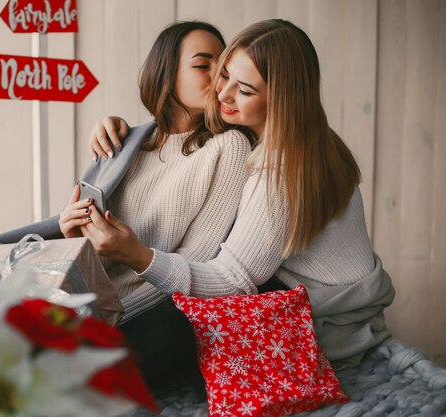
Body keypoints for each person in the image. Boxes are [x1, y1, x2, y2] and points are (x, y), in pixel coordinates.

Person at [80, 19, 395, 370]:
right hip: (337, 307)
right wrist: (128, 136)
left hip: (324, 325)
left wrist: (140, 256)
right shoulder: (311, 138)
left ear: (281, 99)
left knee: (165, 330)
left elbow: (233, 281)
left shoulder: (280, 172)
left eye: (244, 90)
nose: (222, 91)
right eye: (224, 73)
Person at [0, 21, 252, 390]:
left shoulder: (228, 147)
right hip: (80, 297)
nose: (218, 80)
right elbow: (81, 244)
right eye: (202, 65)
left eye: (221, 68)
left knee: (169, 333)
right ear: (166, 73)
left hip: (143, 313)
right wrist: (70, 229)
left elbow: (199, 260)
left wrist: (131, 263)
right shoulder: (126, 141)